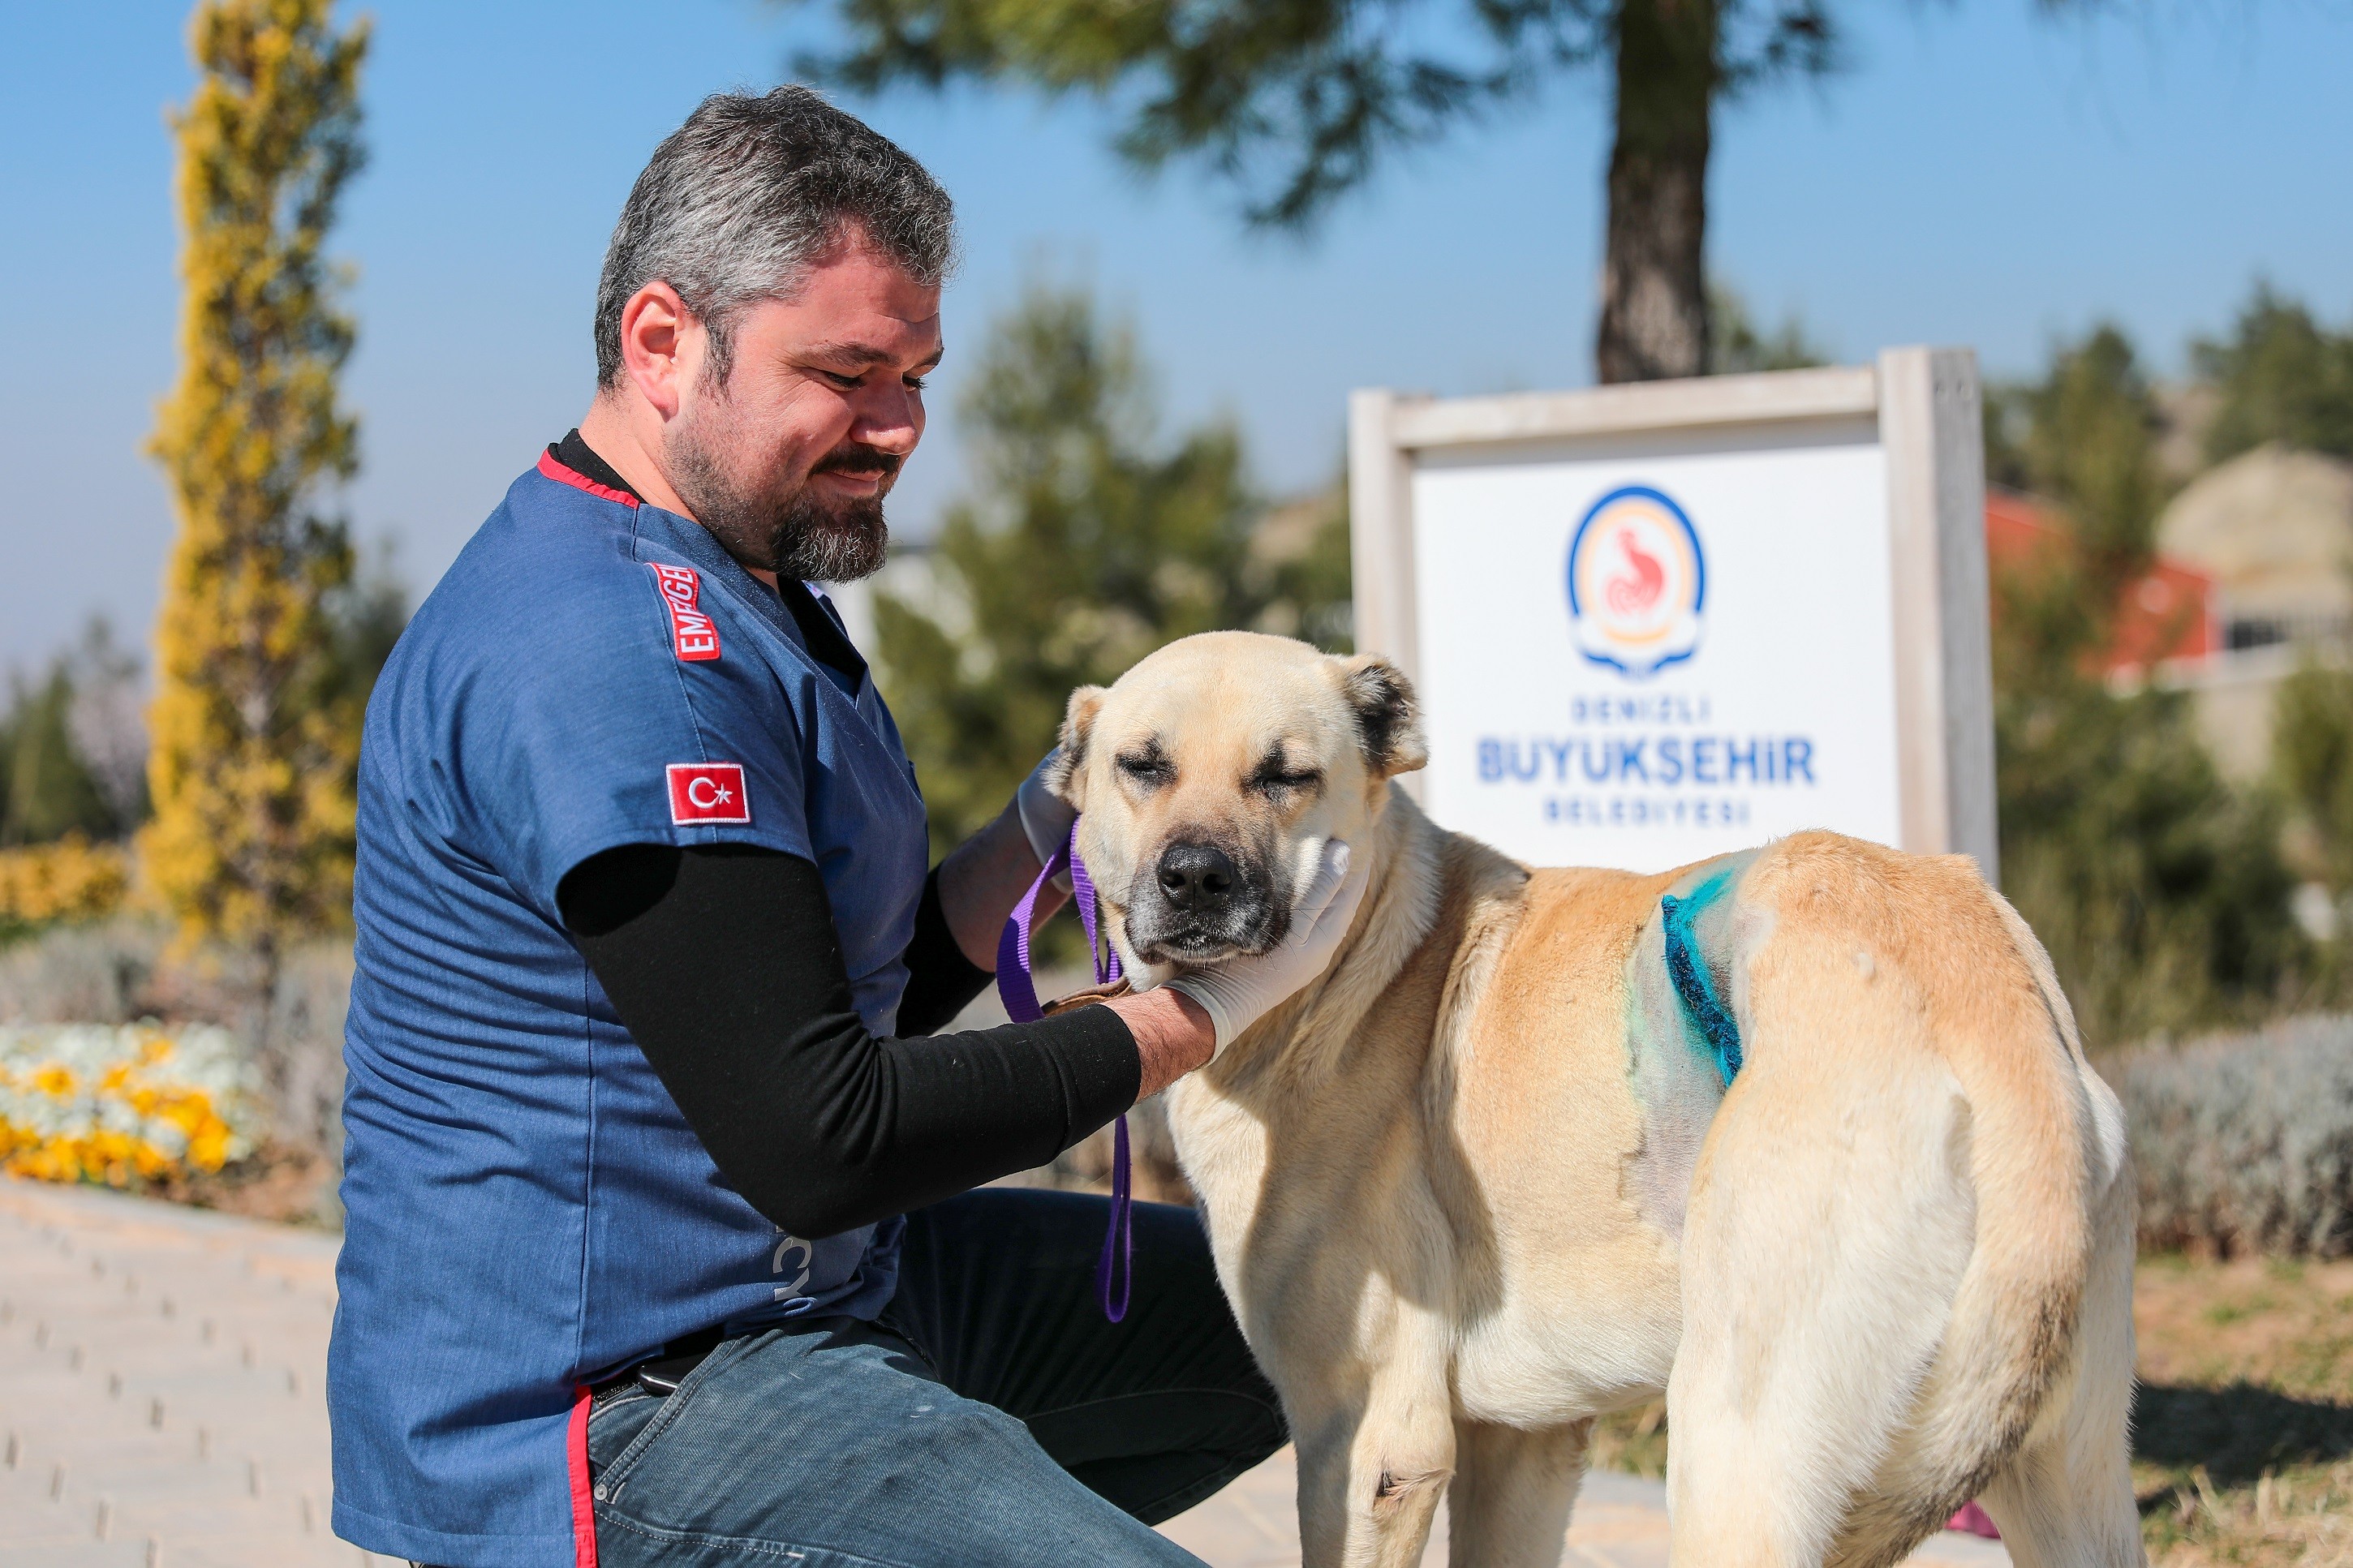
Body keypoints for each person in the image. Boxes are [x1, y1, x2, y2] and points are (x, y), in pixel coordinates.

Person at [326, 87, 1366, 1568]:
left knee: (1308, 1309)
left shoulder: (744, 576)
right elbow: (823, 1133)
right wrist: (1200, 1008)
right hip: (618, 1398)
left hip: (813, 1285)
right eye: (849, 372)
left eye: (919, 374)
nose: (897, 428)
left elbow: (859, 983)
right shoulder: (613, 652)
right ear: (666, 342)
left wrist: (1056, 814)